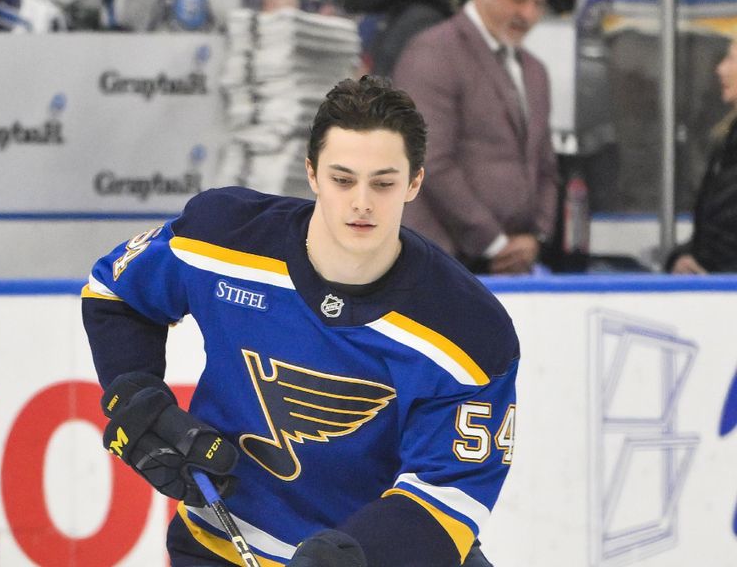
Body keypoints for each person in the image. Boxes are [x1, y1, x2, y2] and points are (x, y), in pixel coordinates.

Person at [82, 75, 520, 567]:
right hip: (222, 542)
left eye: (383, 183)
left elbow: (447, 500)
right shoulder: (221, 236)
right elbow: (115, 293)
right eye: (342, 179)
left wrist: (351, 557)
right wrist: (139, 395)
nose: (361, 202)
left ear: (415, 182)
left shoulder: (467, 330)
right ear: (311, 173)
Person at [393, 0, 559, 274]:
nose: (528, 13)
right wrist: (495, 244)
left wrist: (536, 237)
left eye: (538, 3)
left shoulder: (535, 72)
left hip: (514, 267)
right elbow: (429, 160)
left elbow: (545, 165)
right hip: (441, 264)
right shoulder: (434, 52)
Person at [666, 39, 737, 274]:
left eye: (732, 59)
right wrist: (684, 258)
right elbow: (713, 229)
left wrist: (719, 277)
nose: (720, 69)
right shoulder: (726, 139)